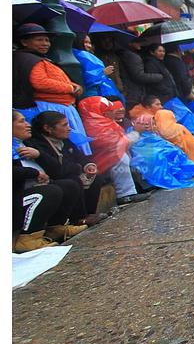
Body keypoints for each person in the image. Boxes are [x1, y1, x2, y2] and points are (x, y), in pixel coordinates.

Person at [11, 23, 92, 155]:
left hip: (58, 107)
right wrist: (70, 87)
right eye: (39, 40)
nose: (45, 43)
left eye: (47, 40)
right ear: (24, 42)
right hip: (50, 108)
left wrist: (73, 85)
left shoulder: (37, 59)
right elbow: (40, 82)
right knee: (62, 147)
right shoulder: (29, 59)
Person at [24, 111, 115, 227]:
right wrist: (78, 168)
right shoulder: (37, 144)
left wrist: (88, 165)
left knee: (96, 177)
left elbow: (79, 157)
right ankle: (77, 218)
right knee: (72, 181)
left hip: (69, 171)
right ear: (48, 128)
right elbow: (56, 169)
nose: (69, 128)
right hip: (53, 177)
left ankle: (89, 214)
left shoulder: (64, 140)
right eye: (64, 125)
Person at [13, 111, 87, 252]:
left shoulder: (27, 143)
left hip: (33, 189)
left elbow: (56, 170)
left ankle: (55, 228)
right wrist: (34, 172)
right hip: (15, 199)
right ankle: (27, 239)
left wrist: (39, 155)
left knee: (68, 185)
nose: (27, 125)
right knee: (50, 191)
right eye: (22, 121)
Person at [76, 97, 151, 205]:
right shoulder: (94, 125)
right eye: (109, 110)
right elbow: (116, 145)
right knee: (119, 158)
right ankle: (125, 195)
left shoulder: (103, 122)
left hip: (104, 163)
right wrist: (136, 132)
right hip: (99, 164)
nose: (113, 112)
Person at [130, 96, 194, 163]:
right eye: (157, 104)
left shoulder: (150, 115)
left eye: (160, 104)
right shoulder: (148, 117)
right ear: (148, 107)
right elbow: (166, 133)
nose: (161, 107)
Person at [72, 33, 122, 99]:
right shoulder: (82, 55)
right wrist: (103, 72)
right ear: (78, 42)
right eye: (85, 42)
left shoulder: (83, 55)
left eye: (90, 43)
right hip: (92, 94)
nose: (89, 45)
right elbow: (88, 78)